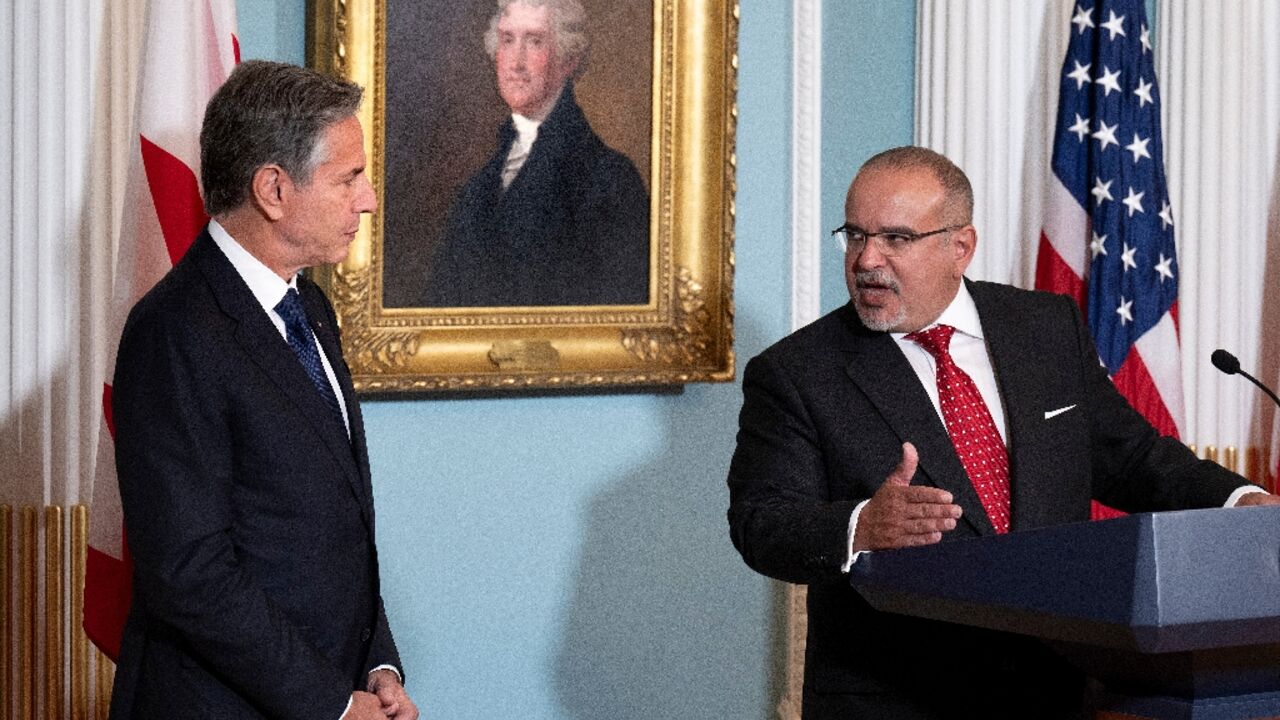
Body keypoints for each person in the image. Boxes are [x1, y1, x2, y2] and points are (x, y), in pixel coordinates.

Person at [726, 146, 1280, 720]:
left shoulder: (1044, 327)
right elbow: (761, 522)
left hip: (1058, 687)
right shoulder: (796, 373)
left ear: (960, 246)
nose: (868, 259)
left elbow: (1132, 458)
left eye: (895, 239)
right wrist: (859, 525)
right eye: (856, 235)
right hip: (897, 697)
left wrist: (1240, 500)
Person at [109, 61, 419, 720]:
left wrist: (378, 662)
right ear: (273, 189)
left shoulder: (310, 309)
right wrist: (333, 704)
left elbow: (335, 531)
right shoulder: (174, 332)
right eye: (349, 179)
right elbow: (189, 571)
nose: (367, 200)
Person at [422, 0, 649, 307]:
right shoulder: (478, 188)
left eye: (535, 41)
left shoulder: (611, 181)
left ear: (568, 59)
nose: (515, 62)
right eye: (507, 40)